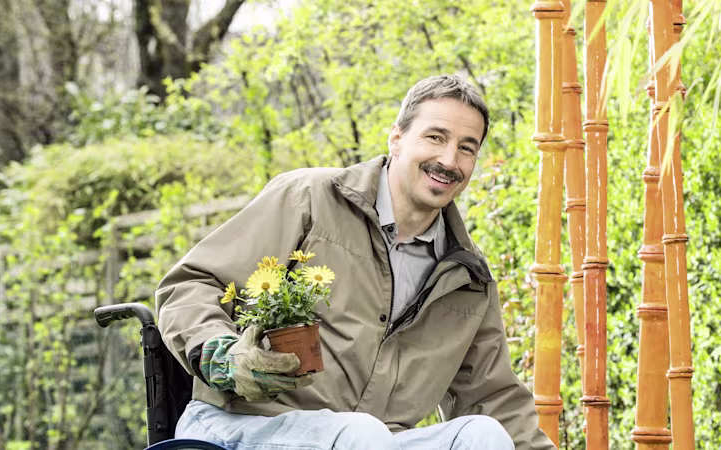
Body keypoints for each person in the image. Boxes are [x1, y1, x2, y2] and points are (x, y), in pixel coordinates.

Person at [156, 75, 555, 450]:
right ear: (396, 138)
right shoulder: (309, 198)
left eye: (467, 147)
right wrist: (223, 356)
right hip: (241, 425)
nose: (449, 159)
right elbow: (192, 284)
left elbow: (493, 397)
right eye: (435, 137)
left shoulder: (467, 275)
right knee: (362, 434)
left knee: (482, 435)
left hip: (370, 440)